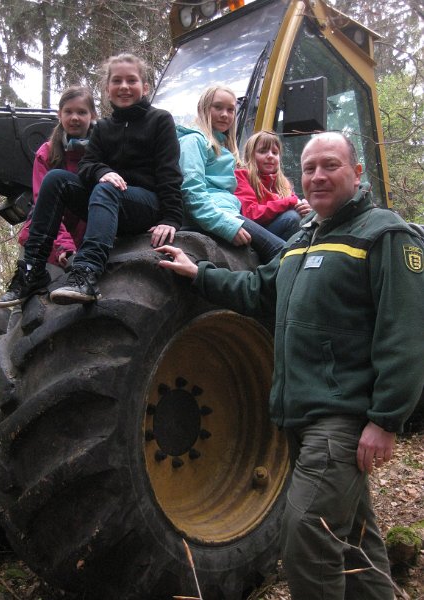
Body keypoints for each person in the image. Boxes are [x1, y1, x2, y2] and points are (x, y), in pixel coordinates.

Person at [155, 131, 424, 600]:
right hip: (298, 419)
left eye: (331, 166)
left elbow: (404, 333)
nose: (318, 176)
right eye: (310, 168)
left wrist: (386, 419)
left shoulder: (384, 234)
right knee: (355, 544)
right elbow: (258, 288)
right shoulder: (304, 238)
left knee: (306, 535)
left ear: (356, 173)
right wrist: (199, 273)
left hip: (340, 420)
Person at [0, 53, 183, 307]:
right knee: (56, 179)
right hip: (110, 202)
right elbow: (87, 164)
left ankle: (87, 271)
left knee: (105, 189)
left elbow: (169, 172)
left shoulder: (160, 120)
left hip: (146, 204)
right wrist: (101, 171)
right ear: (107, 88)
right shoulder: (104, 128)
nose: (124, 87)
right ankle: (32, 270)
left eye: (132, 80)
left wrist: (170, 218)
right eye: (117, 81)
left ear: (145, 87)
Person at [177, 86, 284, 264]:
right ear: (203, 109)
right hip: (214, 216)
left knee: (290, 220)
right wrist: (226, 226)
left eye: (230, 109)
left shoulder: (224, 149)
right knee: (280, 250)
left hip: (229, 211)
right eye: (218, 107)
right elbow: (191, 191)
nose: (225, 114)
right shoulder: (193, 141)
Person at [18, 86, 96, 273]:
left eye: (81, 112)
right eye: (68, 111)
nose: (74, 117)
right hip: (47, 238)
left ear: (92, 115)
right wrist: (64, 245)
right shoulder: (46, 153)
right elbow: (43, 205)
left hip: (83, 238)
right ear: (59, 114)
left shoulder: (102, 151)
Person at [235, 130, 312, 240]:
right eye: (263, 151)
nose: (270, 156)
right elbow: (251, 214)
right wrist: (290, 202)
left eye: (275, 153)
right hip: (256, 235)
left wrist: (305, 210)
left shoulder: (283, 183)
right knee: (292, 218)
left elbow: (292, 204)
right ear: (250, 155)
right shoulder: (242, 176)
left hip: (278, 232)